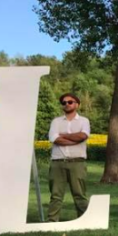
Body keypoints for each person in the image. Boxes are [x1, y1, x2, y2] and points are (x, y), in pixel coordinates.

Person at [47, 93, 91, 222]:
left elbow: (83, 136)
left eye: (70, 102)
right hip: (57, 162)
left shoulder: (84, 121)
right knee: (56, 195)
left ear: (76, 104)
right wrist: (74, 140)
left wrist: (62, 135)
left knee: (79, 194)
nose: (67, 104)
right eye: (64, 102)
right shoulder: (56, 121)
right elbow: (53, 138)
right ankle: (52, 222)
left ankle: (84, 220)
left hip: (77, 162)